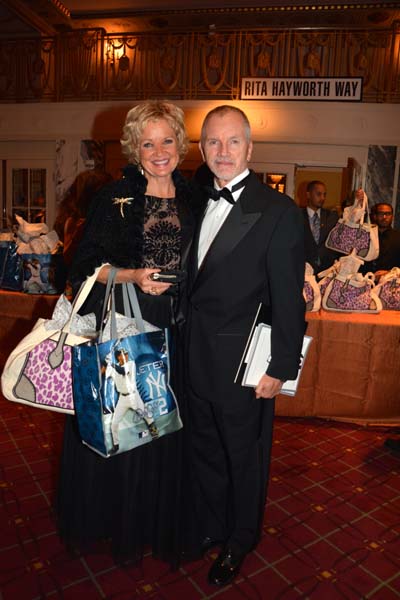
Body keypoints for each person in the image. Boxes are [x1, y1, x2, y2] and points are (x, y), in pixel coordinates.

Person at [56, 100, 197, 566]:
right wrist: (134, 276)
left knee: (168, 427)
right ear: (134, 149)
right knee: (129, 421)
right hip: (129, 328)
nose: (159, 151)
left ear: (180, 142)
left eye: (167, 140)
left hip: (182, 334)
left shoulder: (196, 196)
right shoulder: (114, 197)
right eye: (148, 142)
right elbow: (83, 268)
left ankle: (161, 520)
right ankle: (119, 521)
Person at [183, 105, 305, 586]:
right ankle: (212, 526)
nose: (223, 151)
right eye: (213, 142)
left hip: (242, 366)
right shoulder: (193, 201)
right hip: (192, 357)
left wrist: (281, 367)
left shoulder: (278, 211)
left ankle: (240, 539)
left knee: (244, 458)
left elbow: (288, 299)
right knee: (206, 452)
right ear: (202, 148)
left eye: (233, 141)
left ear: (251, 148)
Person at [302, 180, 340, 273]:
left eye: (324, 194)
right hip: (303, 270)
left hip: (327, 271)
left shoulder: (332, 216)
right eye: (318, 194)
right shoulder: (296, 216)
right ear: (308, 195)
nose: (322, 198)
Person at [367, 202, 400, 279]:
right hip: (363, 283)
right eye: (381, 214)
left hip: (389, 285)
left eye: (388, 214)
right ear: (374, 216)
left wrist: (389, 273)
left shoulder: (398, 237)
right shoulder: (365, 235)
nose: (385, 217)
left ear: (392, 216)